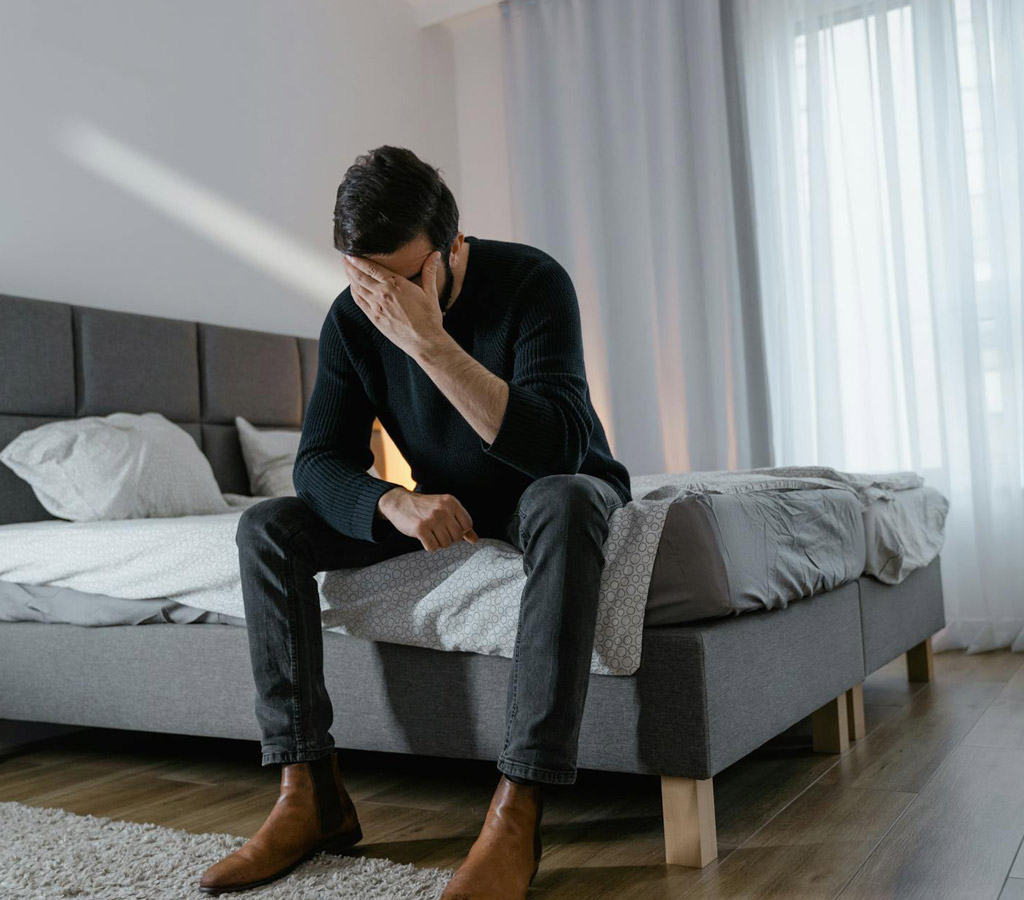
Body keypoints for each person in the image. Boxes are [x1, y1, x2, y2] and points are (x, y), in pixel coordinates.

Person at [197, 146, 632, 898]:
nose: (383, 301)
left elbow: (555, 446)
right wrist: (389, 502)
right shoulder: (351, 318)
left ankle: (518, 808)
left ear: (452, 249)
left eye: (400, 280)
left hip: (553, 488)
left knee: (566, 498)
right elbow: (317, 463)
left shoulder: (532, 281)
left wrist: (428, 341)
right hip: (443, 502)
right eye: (364, 279)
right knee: (267, 526)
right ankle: (310, 795)